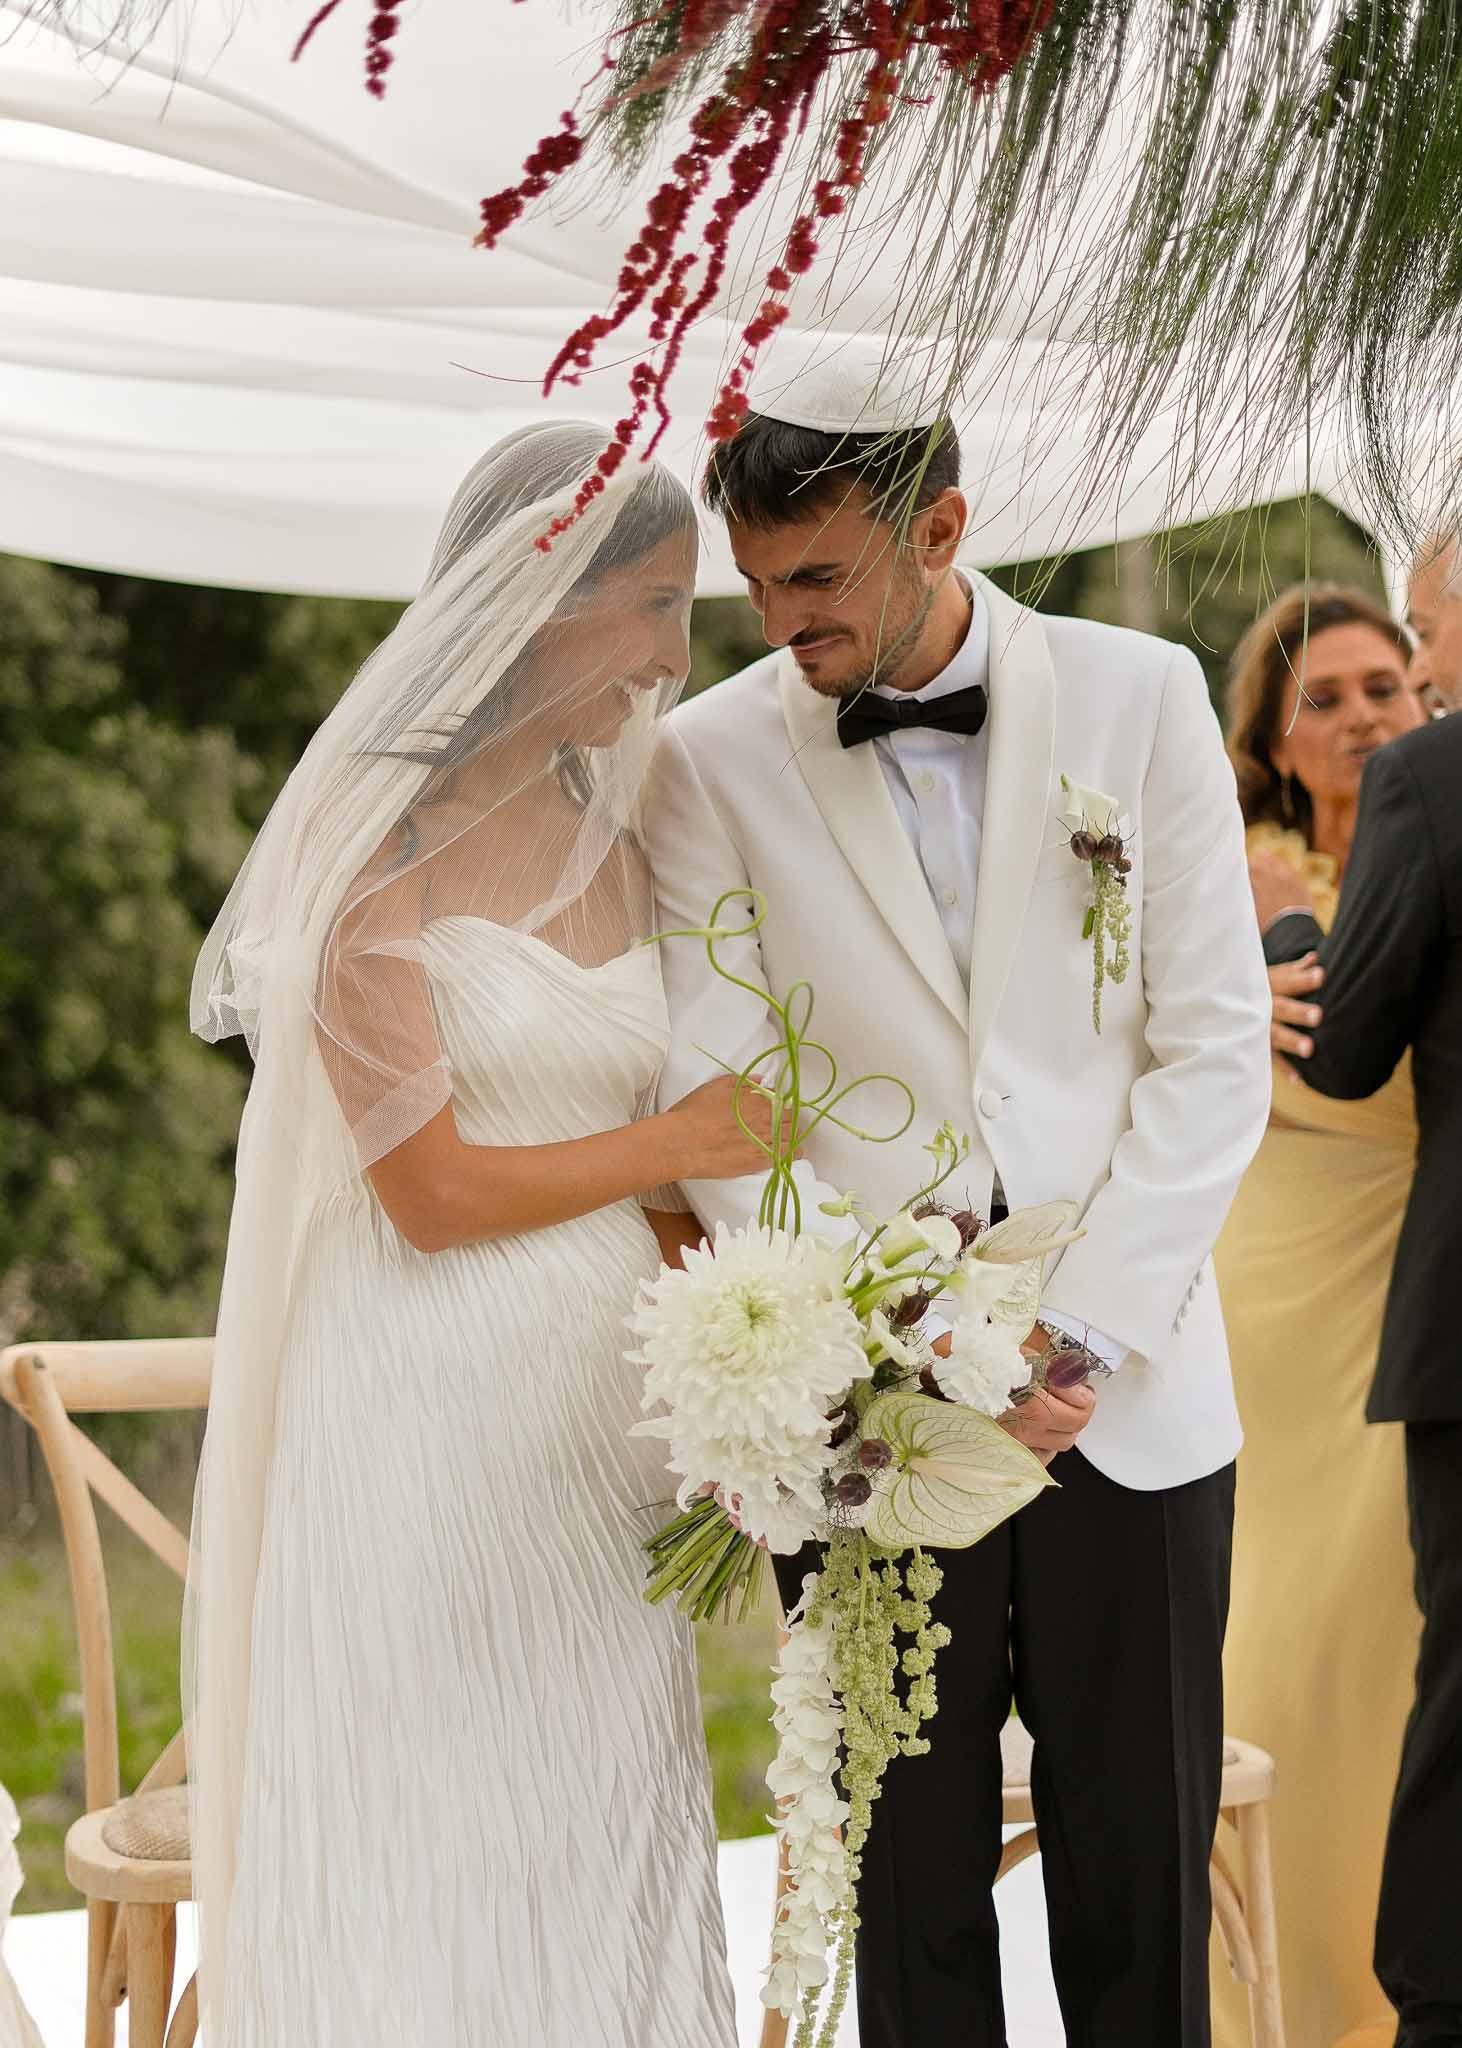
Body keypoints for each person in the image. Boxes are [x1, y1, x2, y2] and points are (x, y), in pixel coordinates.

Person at [646, 340, 1273, 2048]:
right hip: (867, 1411)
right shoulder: (707, 763)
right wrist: (883, 1329)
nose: (783, 621)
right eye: (760, 583)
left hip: (1127, 1394)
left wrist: (1073, 1330)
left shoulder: (1142, 696)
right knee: (906, 1887)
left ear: (941, 527)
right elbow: (715, 1095)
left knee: (1135, 1866)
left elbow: (1215, 1052)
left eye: (821, 576)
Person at [183, 424, 775, 2048]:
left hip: (596, 1429)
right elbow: (427, 1193)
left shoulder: (633, 826)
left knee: (589, 1813)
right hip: (423, 1408)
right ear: (539, 599)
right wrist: (670, 1145)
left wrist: (735, 1375)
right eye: (652, 605)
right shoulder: (369, 845)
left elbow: (671, 1165)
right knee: (428, 1822)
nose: (673, 651)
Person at [1211, 585, 1426, 2048]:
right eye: (1325, 696)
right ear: (1275, 737)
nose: (1358, 716)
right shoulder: (1234, 870)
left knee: (1394, 1652)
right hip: (1268, 1284)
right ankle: (1261, 2001)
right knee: (1270, 1644)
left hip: (1408, 1275)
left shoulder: (1446, 853)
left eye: (1382, 686)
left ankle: (1383, 1995)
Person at [1253, 549, 1462, 2048]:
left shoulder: (1429, 790)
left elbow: (1345, 1050)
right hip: (1311, 1280)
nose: (1375, 707)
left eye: (1414, 640)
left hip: (1440, 1294)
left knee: (1440, 1687)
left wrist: (1282, 950)